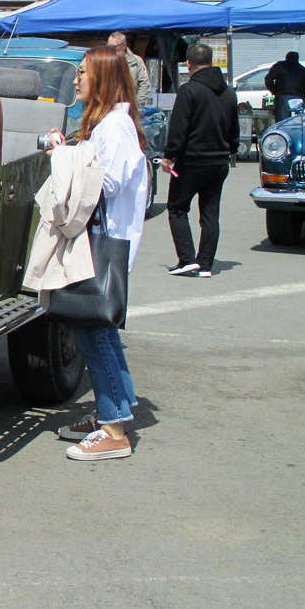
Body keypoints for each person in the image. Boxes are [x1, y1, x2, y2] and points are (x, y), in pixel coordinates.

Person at [47, 46, 148, 461]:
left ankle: (114, 430)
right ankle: (115, 411)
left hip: (104, 245)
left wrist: (63, 155)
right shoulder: (109, 125)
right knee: (98, 331)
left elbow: (103, 188)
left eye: (84, 73)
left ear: (103, 78)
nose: (77, 79)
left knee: (94, 331)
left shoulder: (116, 128)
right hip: (102, 243)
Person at [162, 43, 239, 278]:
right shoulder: (228, 92)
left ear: (189, 64)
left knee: (177, 207)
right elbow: (233, 129)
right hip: (219, 161)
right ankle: (205, 264)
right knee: (209, 213)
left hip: (193, 160)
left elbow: (179, 127)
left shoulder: (189, 90)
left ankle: (187, 259)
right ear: (212, 61)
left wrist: (169, 154)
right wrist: (231, 150)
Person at [265, 50, 305, 122]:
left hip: (282, 96)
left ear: (286, 57)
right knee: (297, 123)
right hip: (299, 98)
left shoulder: (279, 65)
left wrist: (275, 90)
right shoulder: (303, 70)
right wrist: (301, 93)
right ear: (297, 58)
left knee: (282, 123)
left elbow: (268, 79)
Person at [106, 31, 151, 108]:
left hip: (130, 106)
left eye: (114, 47)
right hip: (109, 105)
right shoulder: (105, 61)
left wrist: (137, 103)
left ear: (124, 46)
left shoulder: (136, 61)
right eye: (108, 47)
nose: (111, 50)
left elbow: (145, 83)